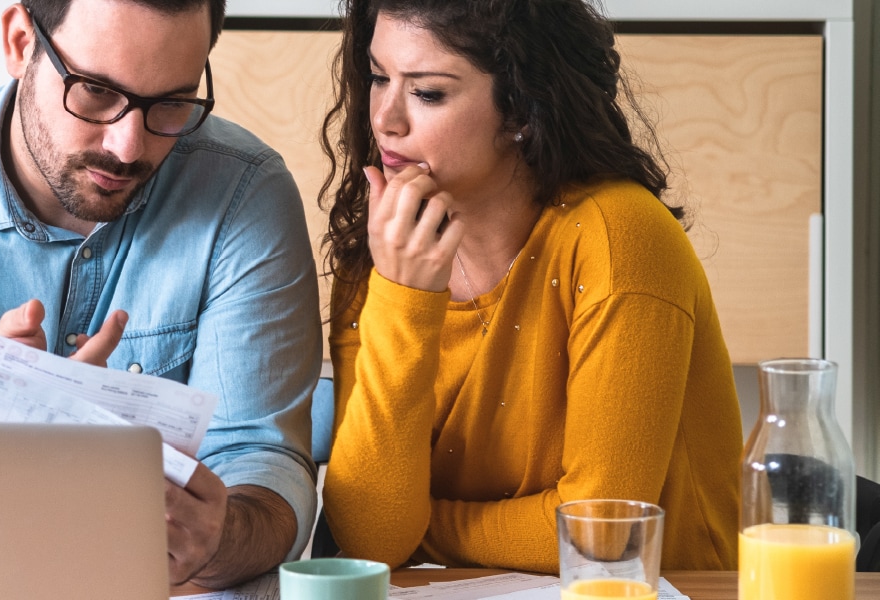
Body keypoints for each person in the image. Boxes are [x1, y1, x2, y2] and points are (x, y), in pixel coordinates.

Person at [0, 0, 321, 588]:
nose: (127, 146)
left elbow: (264, 463)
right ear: (20, 43)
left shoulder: (245, 195)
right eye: (94, 92)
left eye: (170, 103)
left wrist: (219, 536)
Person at [317, 0, 741, 572]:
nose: (385, 119)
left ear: (520, 109)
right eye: (377, 77)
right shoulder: (381, 255)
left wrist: (420, 526)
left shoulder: (621, 239)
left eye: (428, 93)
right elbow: (371, 538)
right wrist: (403, 294)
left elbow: (599, 534)